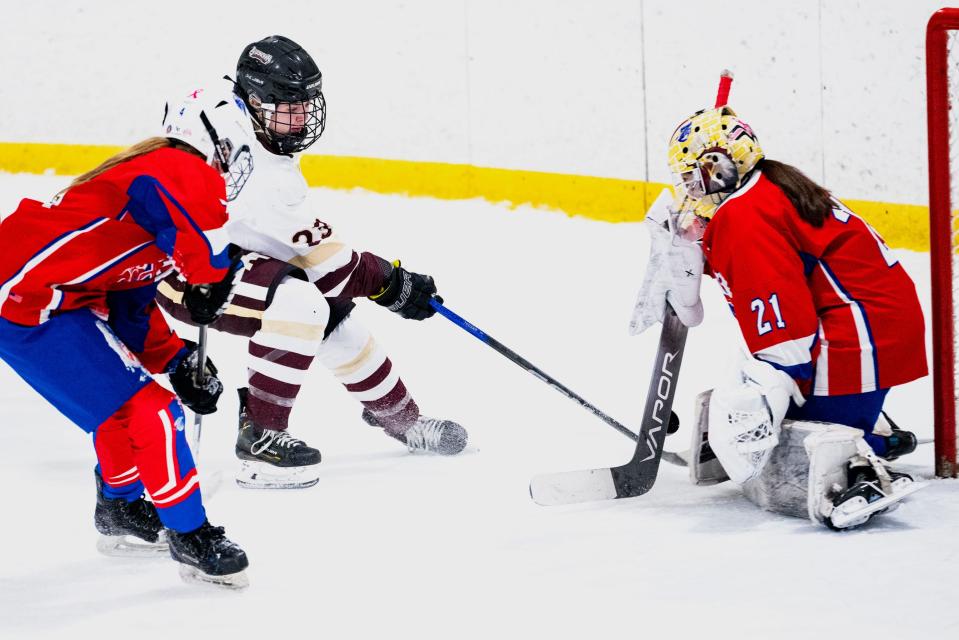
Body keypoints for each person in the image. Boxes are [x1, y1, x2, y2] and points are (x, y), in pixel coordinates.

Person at [156, 35, 467, 490]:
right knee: (302, 305)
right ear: (255, 98)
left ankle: (403, 419)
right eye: (287, 104)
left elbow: (183, 108)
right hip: (179, 271)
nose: (301, 116)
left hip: (223, 245)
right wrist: (393, 283)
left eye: (306, 102)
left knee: (333, 312)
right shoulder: (262, 175)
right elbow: (336, 266)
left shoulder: (227, 108)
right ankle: (261, 439)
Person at [632, 81, 925, 529]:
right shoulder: (762, 187)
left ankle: (865, 453)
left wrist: (775, 388)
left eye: (693, 177)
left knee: (785, 445)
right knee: (774, 425)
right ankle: (869, 427)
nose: (689, 189)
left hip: (863, 332)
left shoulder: (743, 216)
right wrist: (699, 247)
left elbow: (787, 334)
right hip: (875, 320)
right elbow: (773, 269)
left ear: (721, 170)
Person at [0, 86, 253, 587]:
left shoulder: (159, 196)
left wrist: (177, 358)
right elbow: (209, 261)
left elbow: (128, 302)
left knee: (121, 409)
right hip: (24, 302)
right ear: (215, 136)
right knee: (152, 411)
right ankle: (190, 533)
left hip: (51, 299)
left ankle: (119, 510)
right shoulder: (177, 168)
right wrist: (217, 277)